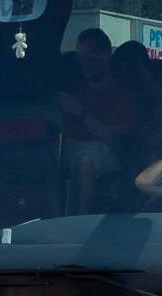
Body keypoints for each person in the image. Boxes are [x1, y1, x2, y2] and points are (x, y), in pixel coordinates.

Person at [53, 28, 136, 213]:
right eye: (79, 58)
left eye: (89, 57)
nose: (83, 64)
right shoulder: (71, 88)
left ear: (106, 55)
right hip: (63, 146)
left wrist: (79, 110)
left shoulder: (123, 95)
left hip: (102, 151)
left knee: (86, 158)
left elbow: (113, 141)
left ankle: (80, 225)